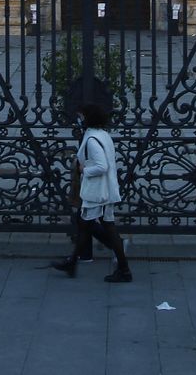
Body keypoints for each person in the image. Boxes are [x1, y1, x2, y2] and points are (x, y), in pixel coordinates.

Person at [50, 102, 131, 282]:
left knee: (93, 226)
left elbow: (101, 166)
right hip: (105, 190)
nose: (79, 120)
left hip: (97, 192)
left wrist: (84, 169)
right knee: (90, 225)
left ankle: (123, 269)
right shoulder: (102, 135)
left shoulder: (93, 140)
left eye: (81, 117)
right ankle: (73, 262)